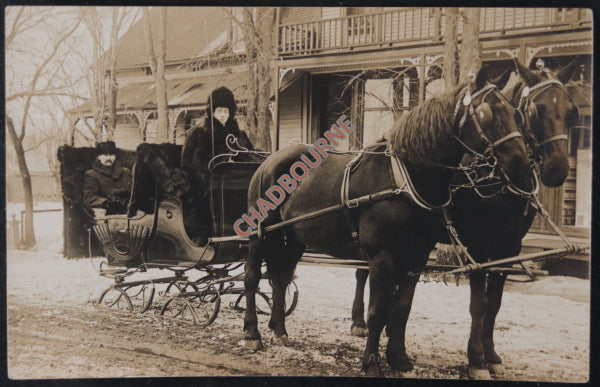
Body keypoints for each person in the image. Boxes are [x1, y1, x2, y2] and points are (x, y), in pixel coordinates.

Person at [83, 141, 132, 215]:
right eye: (105, 155)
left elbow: (132, 192)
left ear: (115, 156)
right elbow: (90, 197)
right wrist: (106, 203)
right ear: (98, 157)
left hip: (128, 212)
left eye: (111, 154)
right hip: (106, 214)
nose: (109, 158)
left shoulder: (125, 172)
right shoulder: (91, 174)